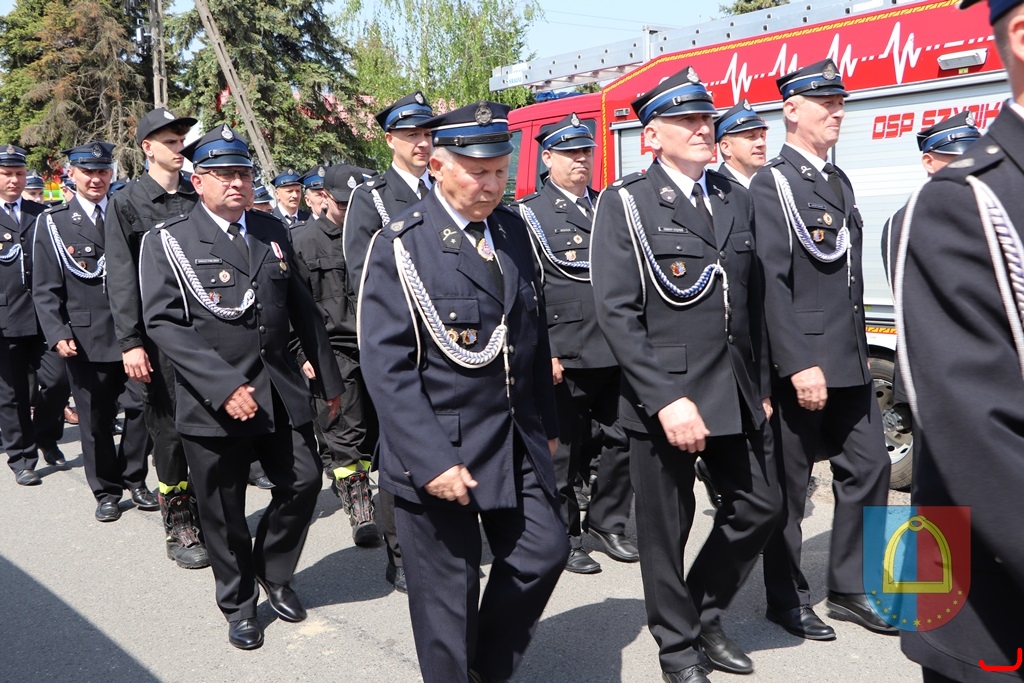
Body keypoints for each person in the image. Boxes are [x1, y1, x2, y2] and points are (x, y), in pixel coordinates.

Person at [359, 101, 567, 683]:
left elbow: (531, 334)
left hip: (514, 437)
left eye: (500, 171)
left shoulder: (512, 229)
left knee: (544, 550)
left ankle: (486, 670)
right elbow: (387, 367)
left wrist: (548, 426)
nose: (492, 185)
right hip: (440, 446)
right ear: (438, 166)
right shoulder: (402, 245)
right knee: (446, 601)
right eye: (478, 172)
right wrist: (431, 461)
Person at [591, 66, 781, 682]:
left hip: (734, 389)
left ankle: (700, 613)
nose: (703, 128)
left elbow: (751, 304)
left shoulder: (733, 196)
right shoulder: (626, 202)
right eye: (687, 120)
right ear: (651, 136)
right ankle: (676, 649)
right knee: (665, 532)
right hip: (666, 396)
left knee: (761, 505)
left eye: (706, 117)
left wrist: (762, 388)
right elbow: (617, 313)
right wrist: (667, 399)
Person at [139, 124, 343, 650]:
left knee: (304, 482)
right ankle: (239, 603)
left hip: (278, 390)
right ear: (198, 181)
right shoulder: (169, 240)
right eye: (224, 174)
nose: (237, 183)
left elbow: (302, 308)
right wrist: (224, 385)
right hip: (213, 399)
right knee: (223, 507)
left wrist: (330, 380)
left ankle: (274, 572)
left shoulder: (271, 230)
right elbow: (163, 322)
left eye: (244, 174)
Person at [895, 0, 1024, 678]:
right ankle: (875, 592)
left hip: (863, 372)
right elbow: (978, 430)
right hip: (992, 614)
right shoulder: (949, 203)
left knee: (866, 478)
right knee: (904, 477)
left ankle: (865, 589)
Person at [749, 58, 895, 640]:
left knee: (871, 467)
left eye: (841, 104)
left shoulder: (838, 180)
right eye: (826, 104)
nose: (838, 113)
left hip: (848, 360)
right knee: (789, 488)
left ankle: (851, 589)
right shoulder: (773, 183)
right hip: (804, 365)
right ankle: (786, 598)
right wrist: (796, 362)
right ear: (791, 110)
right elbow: (771, 281)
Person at [516, 112, 636, 575]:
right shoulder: (530, 213)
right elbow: (527, 291)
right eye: (569, 152)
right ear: (547, 158)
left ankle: (607, 522)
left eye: (585, 150)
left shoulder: (608, 205)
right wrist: (544, 349)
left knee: (623, 439)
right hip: (565, 351)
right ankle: (565, 536)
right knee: (563, 452)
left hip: (615, 347)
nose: (581, 159)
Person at [103, 107, 211, 567]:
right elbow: (121, 277)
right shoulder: (127, 202)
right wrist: (130, 342)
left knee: (209, 429)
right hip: (157, 338)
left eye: (181, 140)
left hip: (204, 333)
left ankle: (212, 517)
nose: (179, 148)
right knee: (167, 433)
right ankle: (180, 524)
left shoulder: (196, 193)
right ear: (147, 148)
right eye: (170, 141)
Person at [33, 142, 155, 522]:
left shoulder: (125, 211)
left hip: (133, 334)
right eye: (87, 172)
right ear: (71, 174)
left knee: (143, 408)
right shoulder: (54, 222)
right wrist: (57, 332)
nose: (96, 179)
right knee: (96, 418)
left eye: (103, 171)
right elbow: (45, 287)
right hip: (86, 339)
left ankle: (134, 477)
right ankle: (106, 490)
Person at [343, 91, 435, 593]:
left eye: (428, 133)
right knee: (401, 452)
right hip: (404, 341)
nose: (422, 142)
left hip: (452, 341)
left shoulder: (446, 185)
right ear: (390, 140)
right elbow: (365, 278)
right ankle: (400, 553)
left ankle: (438, 538)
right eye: (411, 134)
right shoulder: (372, 197)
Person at [290, 163, 380, 547]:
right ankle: (360, 507)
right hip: (332, 350)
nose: (348, 210)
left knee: (377, 432)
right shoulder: (302, 241)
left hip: (377, 347)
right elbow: (290, 307)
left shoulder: (375, 237)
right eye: (343, 204)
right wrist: (302, 354)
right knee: (345, 431)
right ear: (324, 198)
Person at [879, 111, 981, 432]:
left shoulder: (984, 211)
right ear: (929, 162)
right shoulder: (906, 222)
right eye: (957, 160)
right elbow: (917, 310)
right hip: (940, 379)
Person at [0, 144, 70, 485]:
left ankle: (46, 435)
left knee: (58, 381)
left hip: (44, 317)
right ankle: (21, 457)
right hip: (6, 318)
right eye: (6, 174)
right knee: (11, 392)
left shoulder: (41, 214)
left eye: (18, 173)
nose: (14, 180)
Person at [714, 99, 768, 188]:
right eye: (751, 137)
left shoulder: (770, 185)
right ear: (726, 148)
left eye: (762, 136)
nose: (761, 143)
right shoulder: (716, 190)